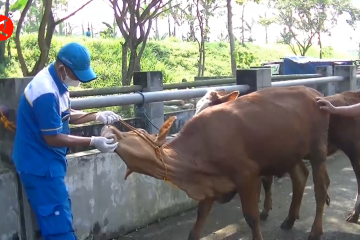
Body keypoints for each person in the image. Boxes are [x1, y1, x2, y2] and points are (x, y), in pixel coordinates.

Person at [12, 42, 120, 240]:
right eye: (77, 76)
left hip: (48, 162)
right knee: (59, 228)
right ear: (63, 69)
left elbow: (64, 114)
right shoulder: (45, 91)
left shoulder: (57, 82)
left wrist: (95, 115)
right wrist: (93, 141)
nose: (78, 81)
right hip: (39, 166)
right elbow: (52, 137)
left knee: (60, 215)